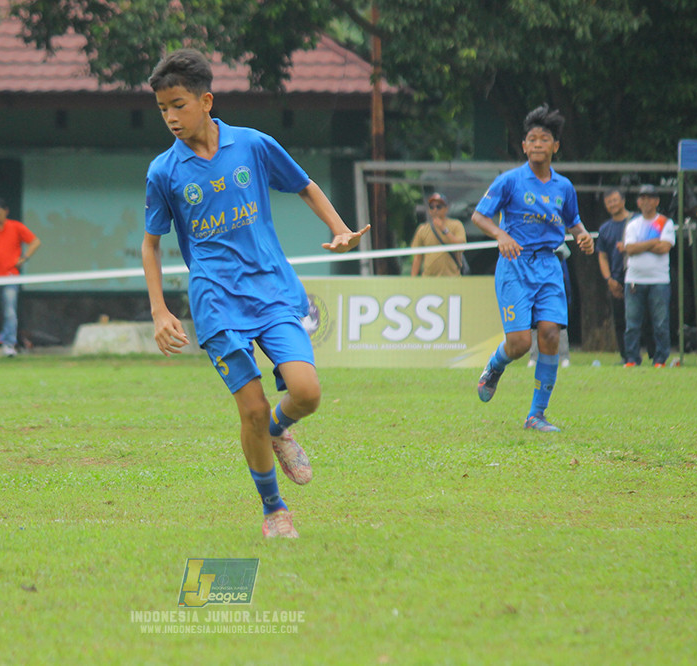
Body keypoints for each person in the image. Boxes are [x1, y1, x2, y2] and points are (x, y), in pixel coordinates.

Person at [142, 49, 369, 538]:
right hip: (216, 301)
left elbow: (304, 185)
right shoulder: (164, 171)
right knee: (252, 408)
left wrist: (340, 227)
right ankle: (274, 510)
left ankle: (276, 432)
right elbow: (151, 244)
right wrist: (159, 310)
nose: (171, 117)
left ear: (206, 101)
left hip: (272, 290)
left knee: (306, 393)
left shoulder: (252, 145)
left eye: (178, 105)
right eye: (163, 109)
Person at [471, 104, 594, 433]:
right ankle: (496, 366)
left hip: (549, 266)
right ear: (524, 146)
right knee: (520, 344)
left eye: (544, 139)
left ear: (555, 146)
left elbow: (574, 221)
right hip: (515, 266)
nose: (538, 144)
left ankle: (536, 415)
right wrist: (501, 234)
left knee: (551, 334)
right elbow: (479, 216)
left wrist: (582, 237)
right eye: (532, 139)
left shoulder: (563, 187)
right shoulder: (509, 181)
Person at [0, 197, 41, 358]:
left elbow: (35, 241)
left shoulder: (15, 227)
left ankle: (9, 344)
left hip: (11, 276)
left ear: (6, 212)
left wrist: (24, 258)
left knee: (9, 312)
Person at [595, 188, 654, 363]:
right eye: (609, 202)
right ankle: (627, 357)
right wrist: (609, 280)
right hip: (617, 280)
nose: (612, 205)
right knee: (621, 321)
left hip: (638, 277)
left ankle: (655, 356)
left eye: (615, 200)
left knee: (645, 319)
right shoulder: (605, 229)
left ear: (623, 200)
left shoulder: (638, 221)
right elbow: (602, 256)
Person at [622, 184, 675, 368]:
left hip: (659, 280)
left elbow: (664, 248)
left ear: (657, 201)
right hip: (634, 280)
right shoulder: (633, 224)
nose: (646, 201)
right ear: (638, 201)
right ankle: (631, 358)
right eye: (642, 198)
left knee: (660, 323)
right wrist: (653, 241)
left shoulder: (664, 223)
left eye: (650, 198)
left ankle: (660, 359)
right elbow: (629, 249)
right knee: (632, 324)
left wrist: (641, 245)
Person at [410, 192, 467, 276]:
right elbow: (417, 257)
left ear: (446, 208)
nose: (435, 210)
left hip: (452, 278)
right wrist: (413, 279)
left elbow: (461, 246)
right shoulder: (422, 229)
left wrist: (444, 230)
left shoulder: (456, 225)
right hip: (429, 279)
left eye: (438, 207)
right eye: (431, 207)